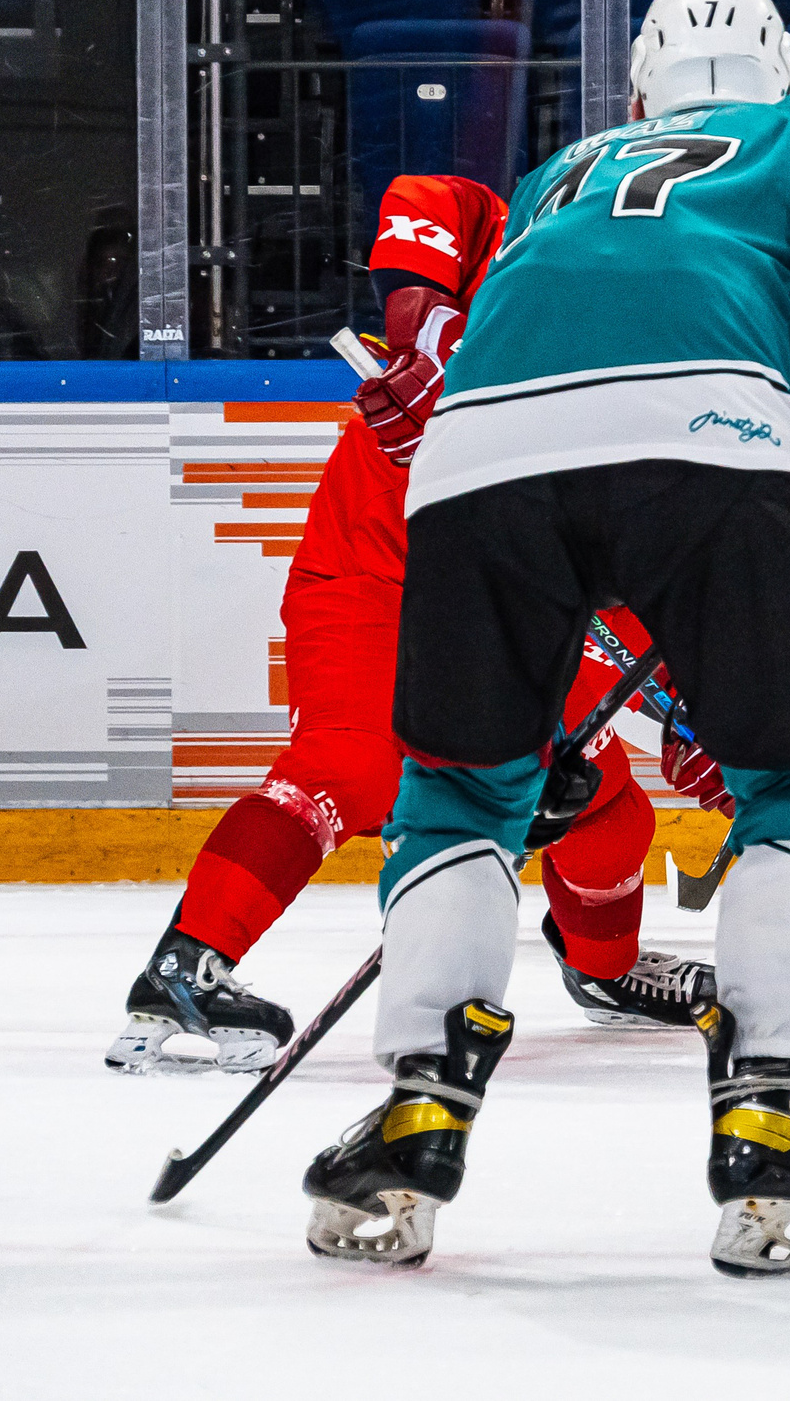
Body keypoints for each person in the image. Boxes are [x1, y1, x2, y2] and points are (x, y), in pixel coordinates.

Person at [297, 0, 790, 1276]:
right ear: (779, 80)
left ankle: (418, 1101)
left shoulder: (566, 170)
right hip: (709, 436)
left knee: (458, 790)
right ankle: (778, 1109)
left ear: (635, 101)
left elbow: (578, 330)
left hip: (473, 457)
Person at [107, 175, 715, 1074]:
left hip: (514, 588)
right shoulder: (541, 226)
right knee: (346, 765)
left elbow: (633, 582)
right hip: (373, 571)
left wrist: (705, 716)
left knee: (604, 801)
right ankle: (187, 964)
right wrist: (429, 339)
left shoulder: (665, 351)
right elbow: (426, 204)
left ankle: (606, 969)